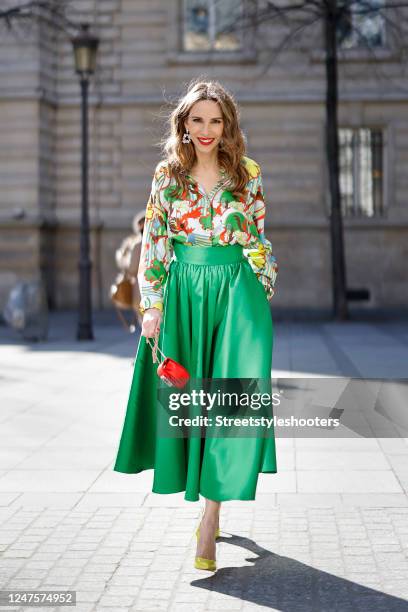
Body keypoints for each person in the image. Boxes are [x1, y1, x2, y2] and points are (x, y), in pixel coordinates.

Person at [114, 79, 278, 572]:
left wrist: (260, 291)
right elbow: (156, 242)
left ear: (227, 125)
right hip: (184, 291)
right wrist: (152, 305)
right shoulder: (167, 176)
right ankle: (205, 499)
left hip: (235, 292)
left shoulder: (247, 174)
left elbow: (258, 238)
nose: (206, 130)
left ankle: (210, 518)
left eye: (215, 120)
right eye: (197, 120)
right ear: (183, 125)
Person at [114, 211, 145, 328]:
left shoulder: (138, 244)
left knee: (145, 325)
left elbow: (132, 268)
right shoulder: (161, 240)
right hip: (161, 287)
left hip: (142, 287)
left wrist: (121, 259)